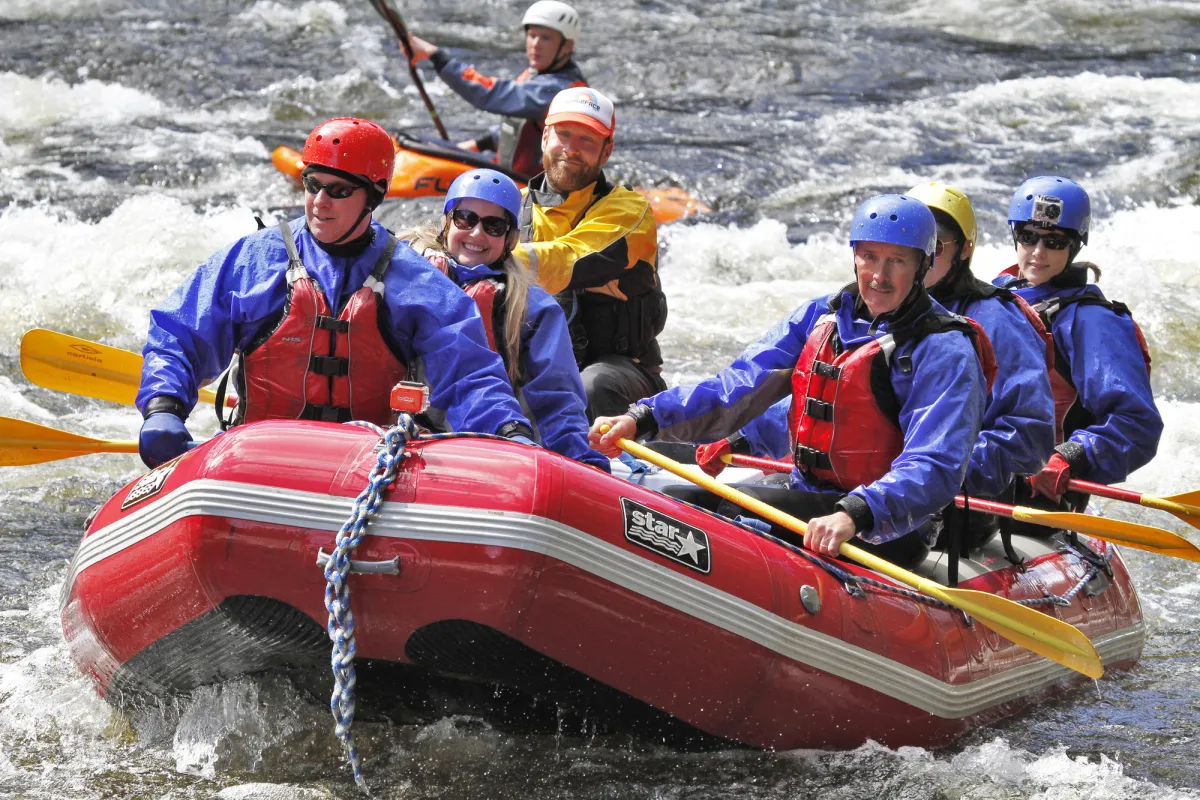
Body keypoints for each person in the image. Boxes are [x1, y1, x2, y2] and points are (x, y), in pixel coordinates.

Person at [590, 195, 991, 568]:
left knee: (705, 507)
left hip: (889, 523)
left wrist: (857, 513)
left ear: (922, 265)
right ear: (854, 257)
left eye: (896, 261)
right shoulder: (824, 315)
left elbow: (936, 462)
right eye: (869, 257)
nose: (878, 276)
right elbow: (740, 381)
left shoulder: (944, 348)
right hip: (812, 496)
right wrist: (643, 418)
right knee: (673, 502)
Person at [136, 117, 534, 468]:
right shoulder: (254, 259)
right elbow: (180, 336)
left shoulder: (416, 282)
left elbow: (470, 376)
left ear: (374, 196)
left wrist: (509, 429)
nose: (320, 202)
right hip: (260, 457)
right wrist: (163, 407)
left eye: (339, 191)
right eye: (312, 184)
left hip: (368, 464)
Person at [709, 183, 1056, 556]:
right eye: (880, 248)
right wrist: (745, 437)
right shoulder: (872, 313)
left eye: (921, 245)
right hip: (866, 490)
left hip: (945, 503)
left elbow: (1026, 436)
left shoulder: (988, 323)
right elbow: (839, 403)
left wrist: (942, 462)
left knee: (742, 507)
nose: (891, 260)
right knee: (721, 496)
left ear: (959, 250)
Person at [399, 167, 609, 471]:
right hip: (405, 432)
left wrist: (582, 464)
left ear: (510, 239)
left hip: (490, 444)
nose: (476, 233)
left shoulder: (534, 308)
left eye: (493, 226)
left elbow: (557, 400)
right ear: (447, 222)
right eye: (465, 218)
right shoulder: (404, 271)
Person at [993, 175, 1161, 503]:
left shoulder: (1093, 320)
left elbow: (1136, 424)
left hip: (1037, 499)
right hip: (973, 474)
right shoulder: (996, 294)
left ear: (1074, 245)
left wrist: (1070, 456)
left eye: (1054, 241)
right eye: (1029, 237)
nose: (1038, 252)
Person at [515, 86, 666, 421]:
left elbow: (571, 257)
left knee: (590, 386)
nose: (571, 149)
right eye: (564, 134)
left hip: (621, 374)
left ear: (606, 150)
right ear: (544, 138)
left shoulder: (630, 210)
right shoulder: (509, 206)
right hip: (532, 366)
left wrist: (493, 256)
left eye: (587, 140)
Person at [406, 1, 587, 177]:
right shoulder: (536, 75)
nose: (535, 44)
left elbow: (490, 94)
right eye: (532, 36)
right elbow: (518, 127)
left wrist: (436, 57)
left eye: (546, 38)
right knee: (421, 144)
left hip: (530, 189)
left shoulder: (561, 92)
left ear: (567, 46)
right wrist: (476, 145)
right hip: (507, 173)